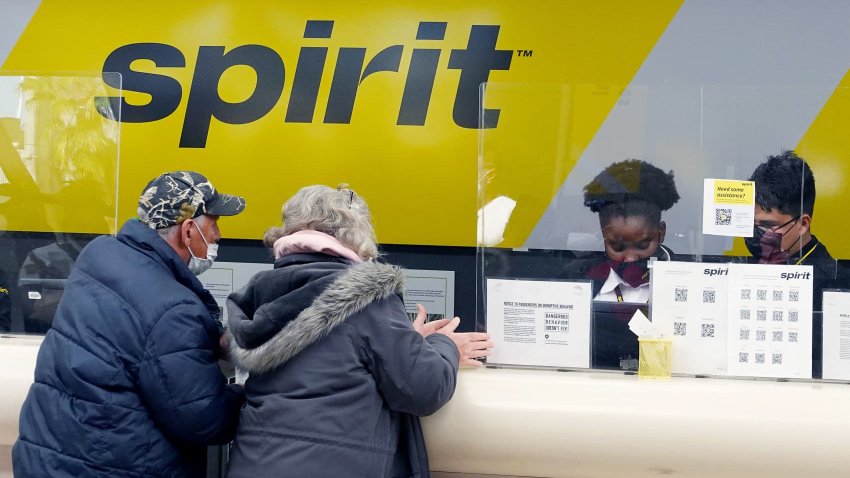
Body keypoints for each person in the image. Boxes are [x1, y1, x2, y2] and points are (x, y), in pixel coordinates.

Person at [224, 185, 493, 478]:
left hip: (251, 464)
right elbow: (423, 389)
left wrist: (409, 339)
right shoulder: (369, 297)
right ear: (358, 232)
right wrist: (445, 344)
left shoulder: (263, 292)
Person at [13, 171, 247, 478]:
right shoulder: (173, 307)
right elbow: (204, 420)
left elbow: (135, 340)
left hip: (48, 454)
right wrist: (251, 393)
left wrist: (207, 340)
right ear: (188, 230)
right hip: (105, 467)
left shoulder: (100, 256)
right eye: (213, 224)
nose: (217, 235)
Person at [745, 150, 842, 378]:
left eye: (768, 226)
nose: (756, 235)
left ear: (802, 224)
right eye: (751, 225)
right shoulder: (753, 267)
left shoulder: (831, 284)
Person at [580, 159, 680, 303]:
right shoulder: (582, 282)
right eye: (618, 247)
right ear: (603, 236)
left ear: (661, 233)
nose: (631, 258)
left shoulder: (686, 281)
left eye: (642, 245)